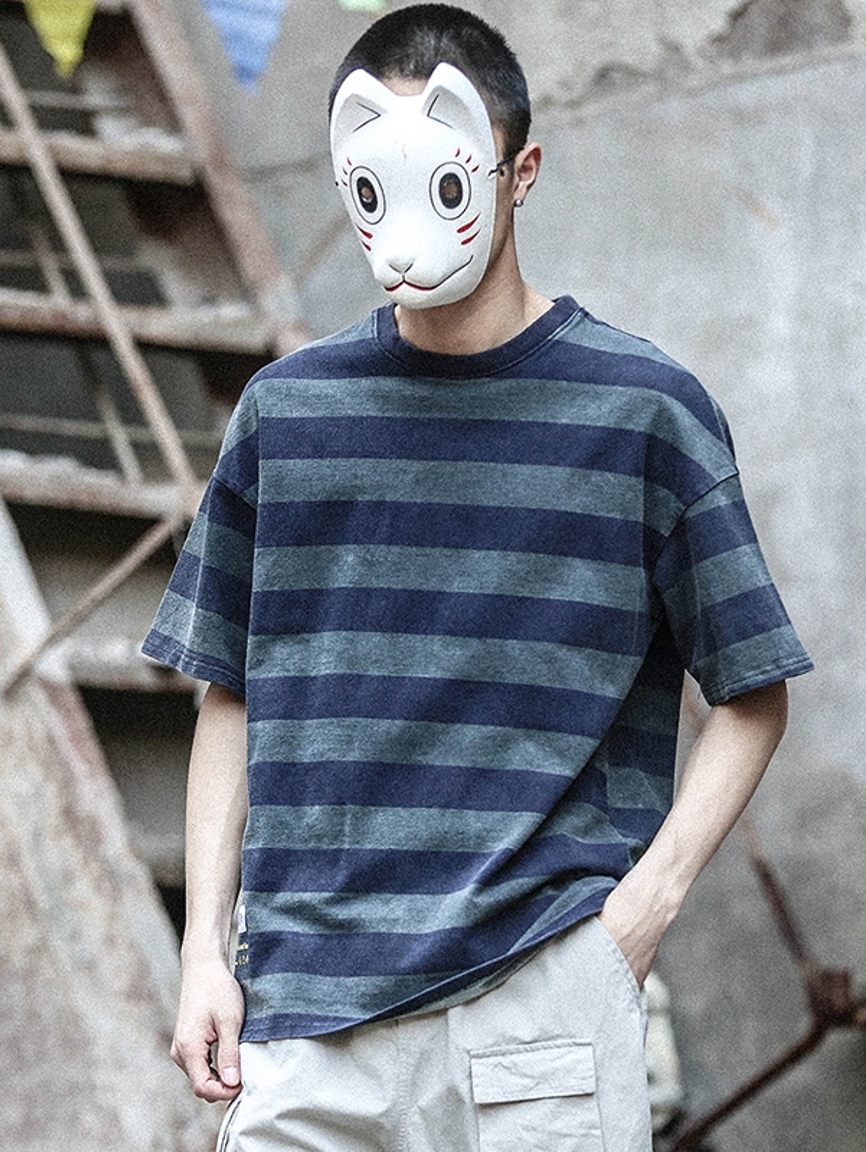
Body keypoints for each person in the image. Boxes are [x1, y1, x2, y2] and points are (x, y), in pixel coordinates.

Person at [143, 6, 813, 1149]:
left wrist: (630, 924)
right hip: (304, 1021)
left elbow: (751, 692)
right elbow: (231, 690)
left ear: (520, 173)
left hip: (537, 1004)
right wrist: (205, 949)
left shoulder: (643, 412)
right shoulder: (284, 416)